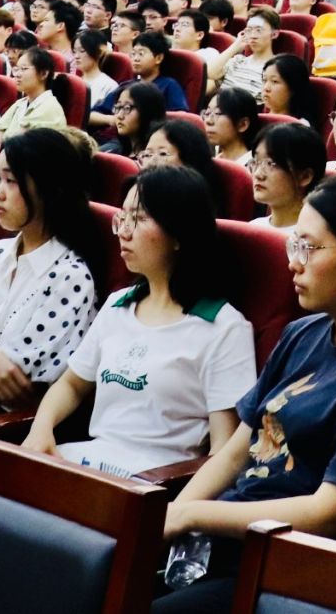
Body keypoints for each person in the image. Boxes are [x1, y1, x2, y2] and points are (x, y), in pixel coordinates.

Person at [153, 177, 336, 612]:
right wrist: (169, 519)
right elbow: (236, 451)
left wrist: (192, 515)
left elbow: (329, 512)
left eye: (309, 248)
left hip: (288, 572)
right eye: (293, 245)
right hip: (223, 543)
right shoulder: (302, 333)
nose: (293, 264)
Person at [21, 165, 257, 477]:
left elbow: (223, 451)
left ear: (179, 234)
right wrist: (41, 428)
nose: (124, 232)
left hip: (154, 480)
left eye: (140, 219)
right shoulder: (118, 304)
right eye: (123, 218)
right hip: (88, 463)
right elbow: (72, 385)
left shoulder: (224, 328)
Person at [248, 121, 323, 230]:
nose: (258, 174)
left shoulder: (314, 236)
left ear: (305, 176)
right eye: (256, 161)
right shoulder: (252, 228)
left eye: (271, 163)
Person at [0, 47, 67, 138]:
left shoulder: (49, 107)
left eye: (24, 69)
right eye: (16, 69)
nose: (17, 75)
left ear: (43, 73)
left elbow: (19, 143)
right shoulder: (19, 104)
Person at [210, 9, 280, 97]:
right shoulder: (237, 61)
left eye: (258, 30)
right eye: (249, 30)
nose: (253, 36)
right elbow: (210, 73)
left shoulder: (276, 69)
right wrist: (235, 46)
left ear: (274, 34)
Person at [202, 87, 260, 166]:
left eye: (218, 113)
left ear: (243, 124)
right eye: (207, 113)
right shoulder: (209, 161)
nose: (208, 121)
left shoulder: (253, 168)